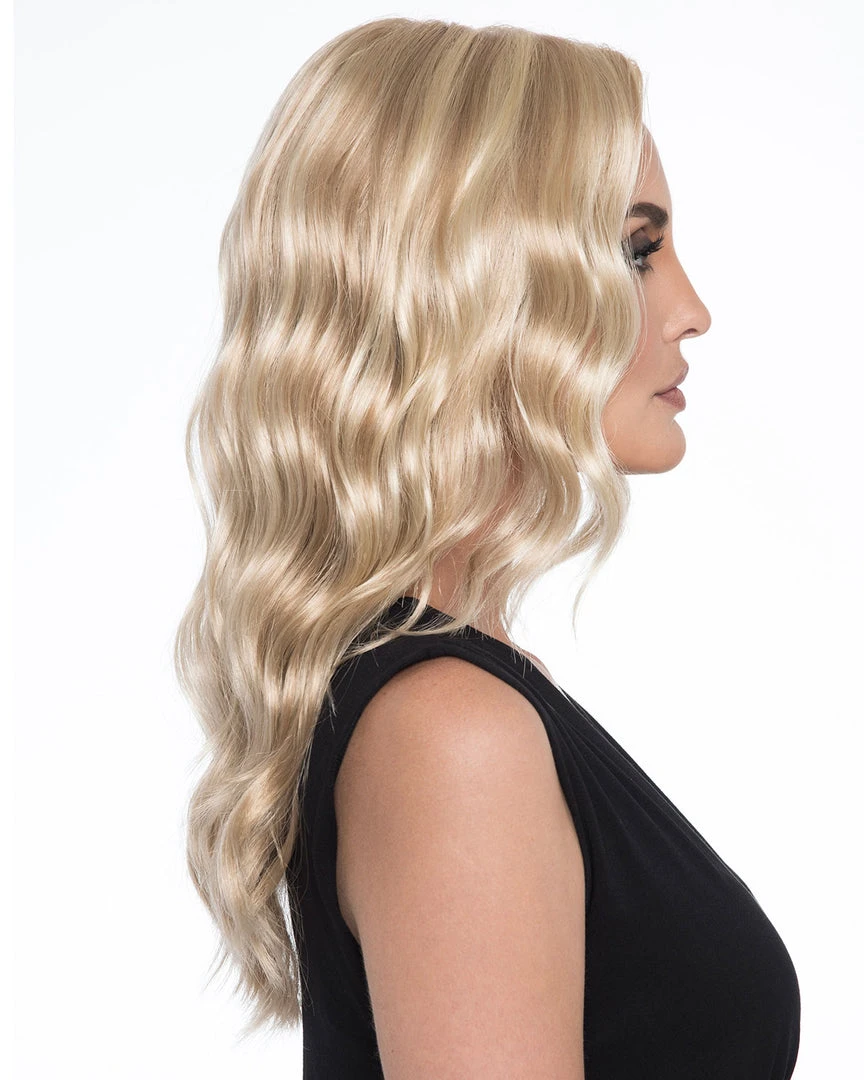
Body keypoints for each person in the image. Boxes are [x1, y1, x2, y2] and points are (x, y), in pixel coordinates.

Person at [174, 16, 801, 1079]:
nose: (692, 310)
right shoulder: (452, 734)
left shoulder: (455, 700)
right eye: (635, 252)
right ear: (476, 287)